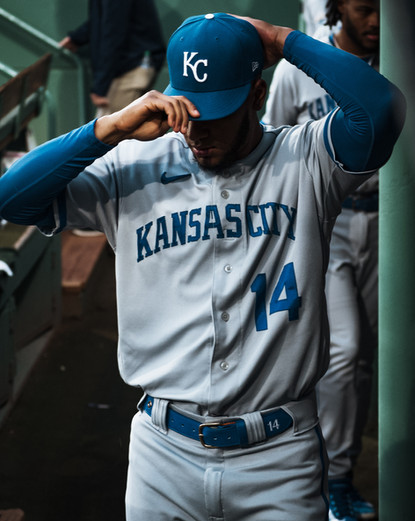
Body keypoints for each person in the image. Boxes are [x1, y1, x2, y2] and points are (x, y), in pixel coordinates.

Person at [0, 12, 405, 521]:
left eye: (217, 114)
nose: (197, 130)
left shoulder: (305, 158)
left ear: (257, 96)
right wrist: (107, 130)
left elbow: (381, 109)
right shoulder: (132, 165)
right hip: (163, 453)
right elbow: (12, 199)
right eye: (190, 110)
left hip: (280, 456)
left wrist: (282, 39)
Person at [263, 1, 381, 520]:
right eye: (363, 8)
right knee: (343, 350)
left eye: (382, 9)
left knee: (367, 356)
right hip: (325, 222)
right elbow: (268, 148)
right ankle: (329, 478)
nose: (375, 20)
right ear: (338, 7)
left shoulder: (398, 64)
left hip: (387, 220)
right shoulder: (299, 68)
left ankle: (342, 473)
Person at [59, 0, 166, 116]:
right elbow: (105, 19)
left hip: (130, 67)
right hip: (133, 64)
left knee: (111, 125)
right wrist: (76, 38)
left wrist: (100, 87)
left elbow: (113, 31)